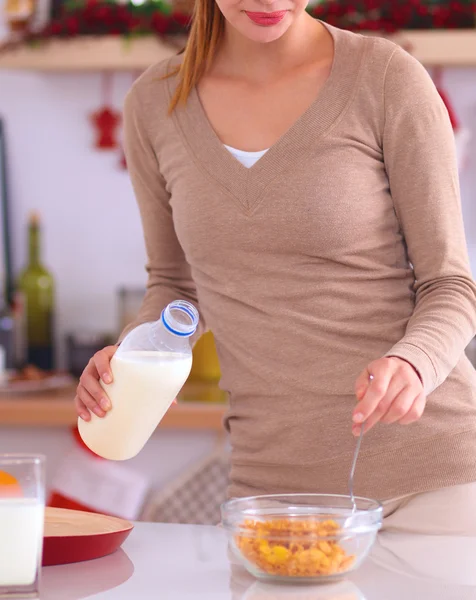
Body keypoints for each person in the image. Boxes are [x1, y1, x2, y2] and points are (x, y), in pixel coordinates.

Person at [74, 0, 476, 534]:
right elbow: (177, 288)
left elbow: (449, 283)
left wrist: (415, 363)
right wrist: (134, 355)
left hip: (432, 477)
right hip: (272, 490)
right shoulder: (154, 103)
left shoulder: (385, 77)